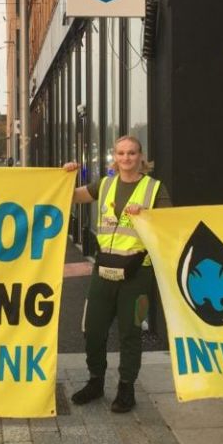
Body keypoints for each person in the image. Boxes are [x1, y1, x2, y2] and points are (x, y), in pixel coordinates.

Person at [63, 135, 171, 413]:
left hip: (137, 274)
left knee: (130, 332)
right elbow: (73, 197)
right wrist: (66, 176)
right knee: (94, 329)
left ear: (140, 156)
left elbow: (169, 225)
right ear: (114, 156)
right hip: (104, 270)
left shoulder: (155, 189)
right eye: (121, 153)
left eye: (132, 153)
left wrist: (146, 214)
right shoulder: (106, 184)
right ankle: (96, 381)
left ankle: (126, 388)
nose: (126, 159)